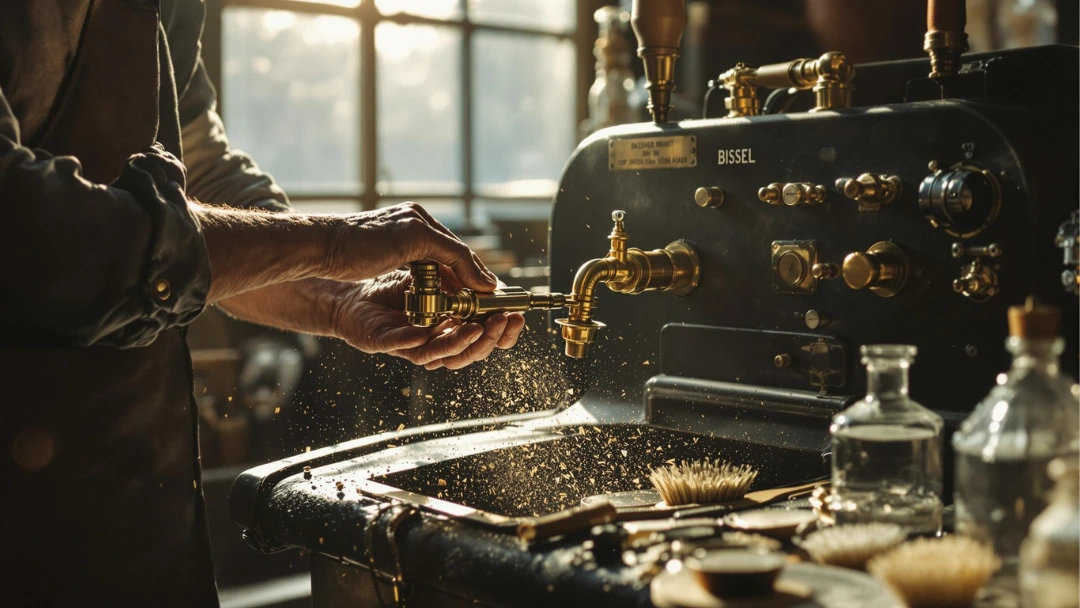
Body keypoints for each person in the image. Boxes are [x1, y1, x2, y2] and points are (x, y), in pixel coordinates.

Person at [0, 0, 525, 605]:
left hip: (140, 503)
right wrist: (329, 244)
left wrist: (339, 297)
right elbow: (23, 230)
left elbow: (197, 175)